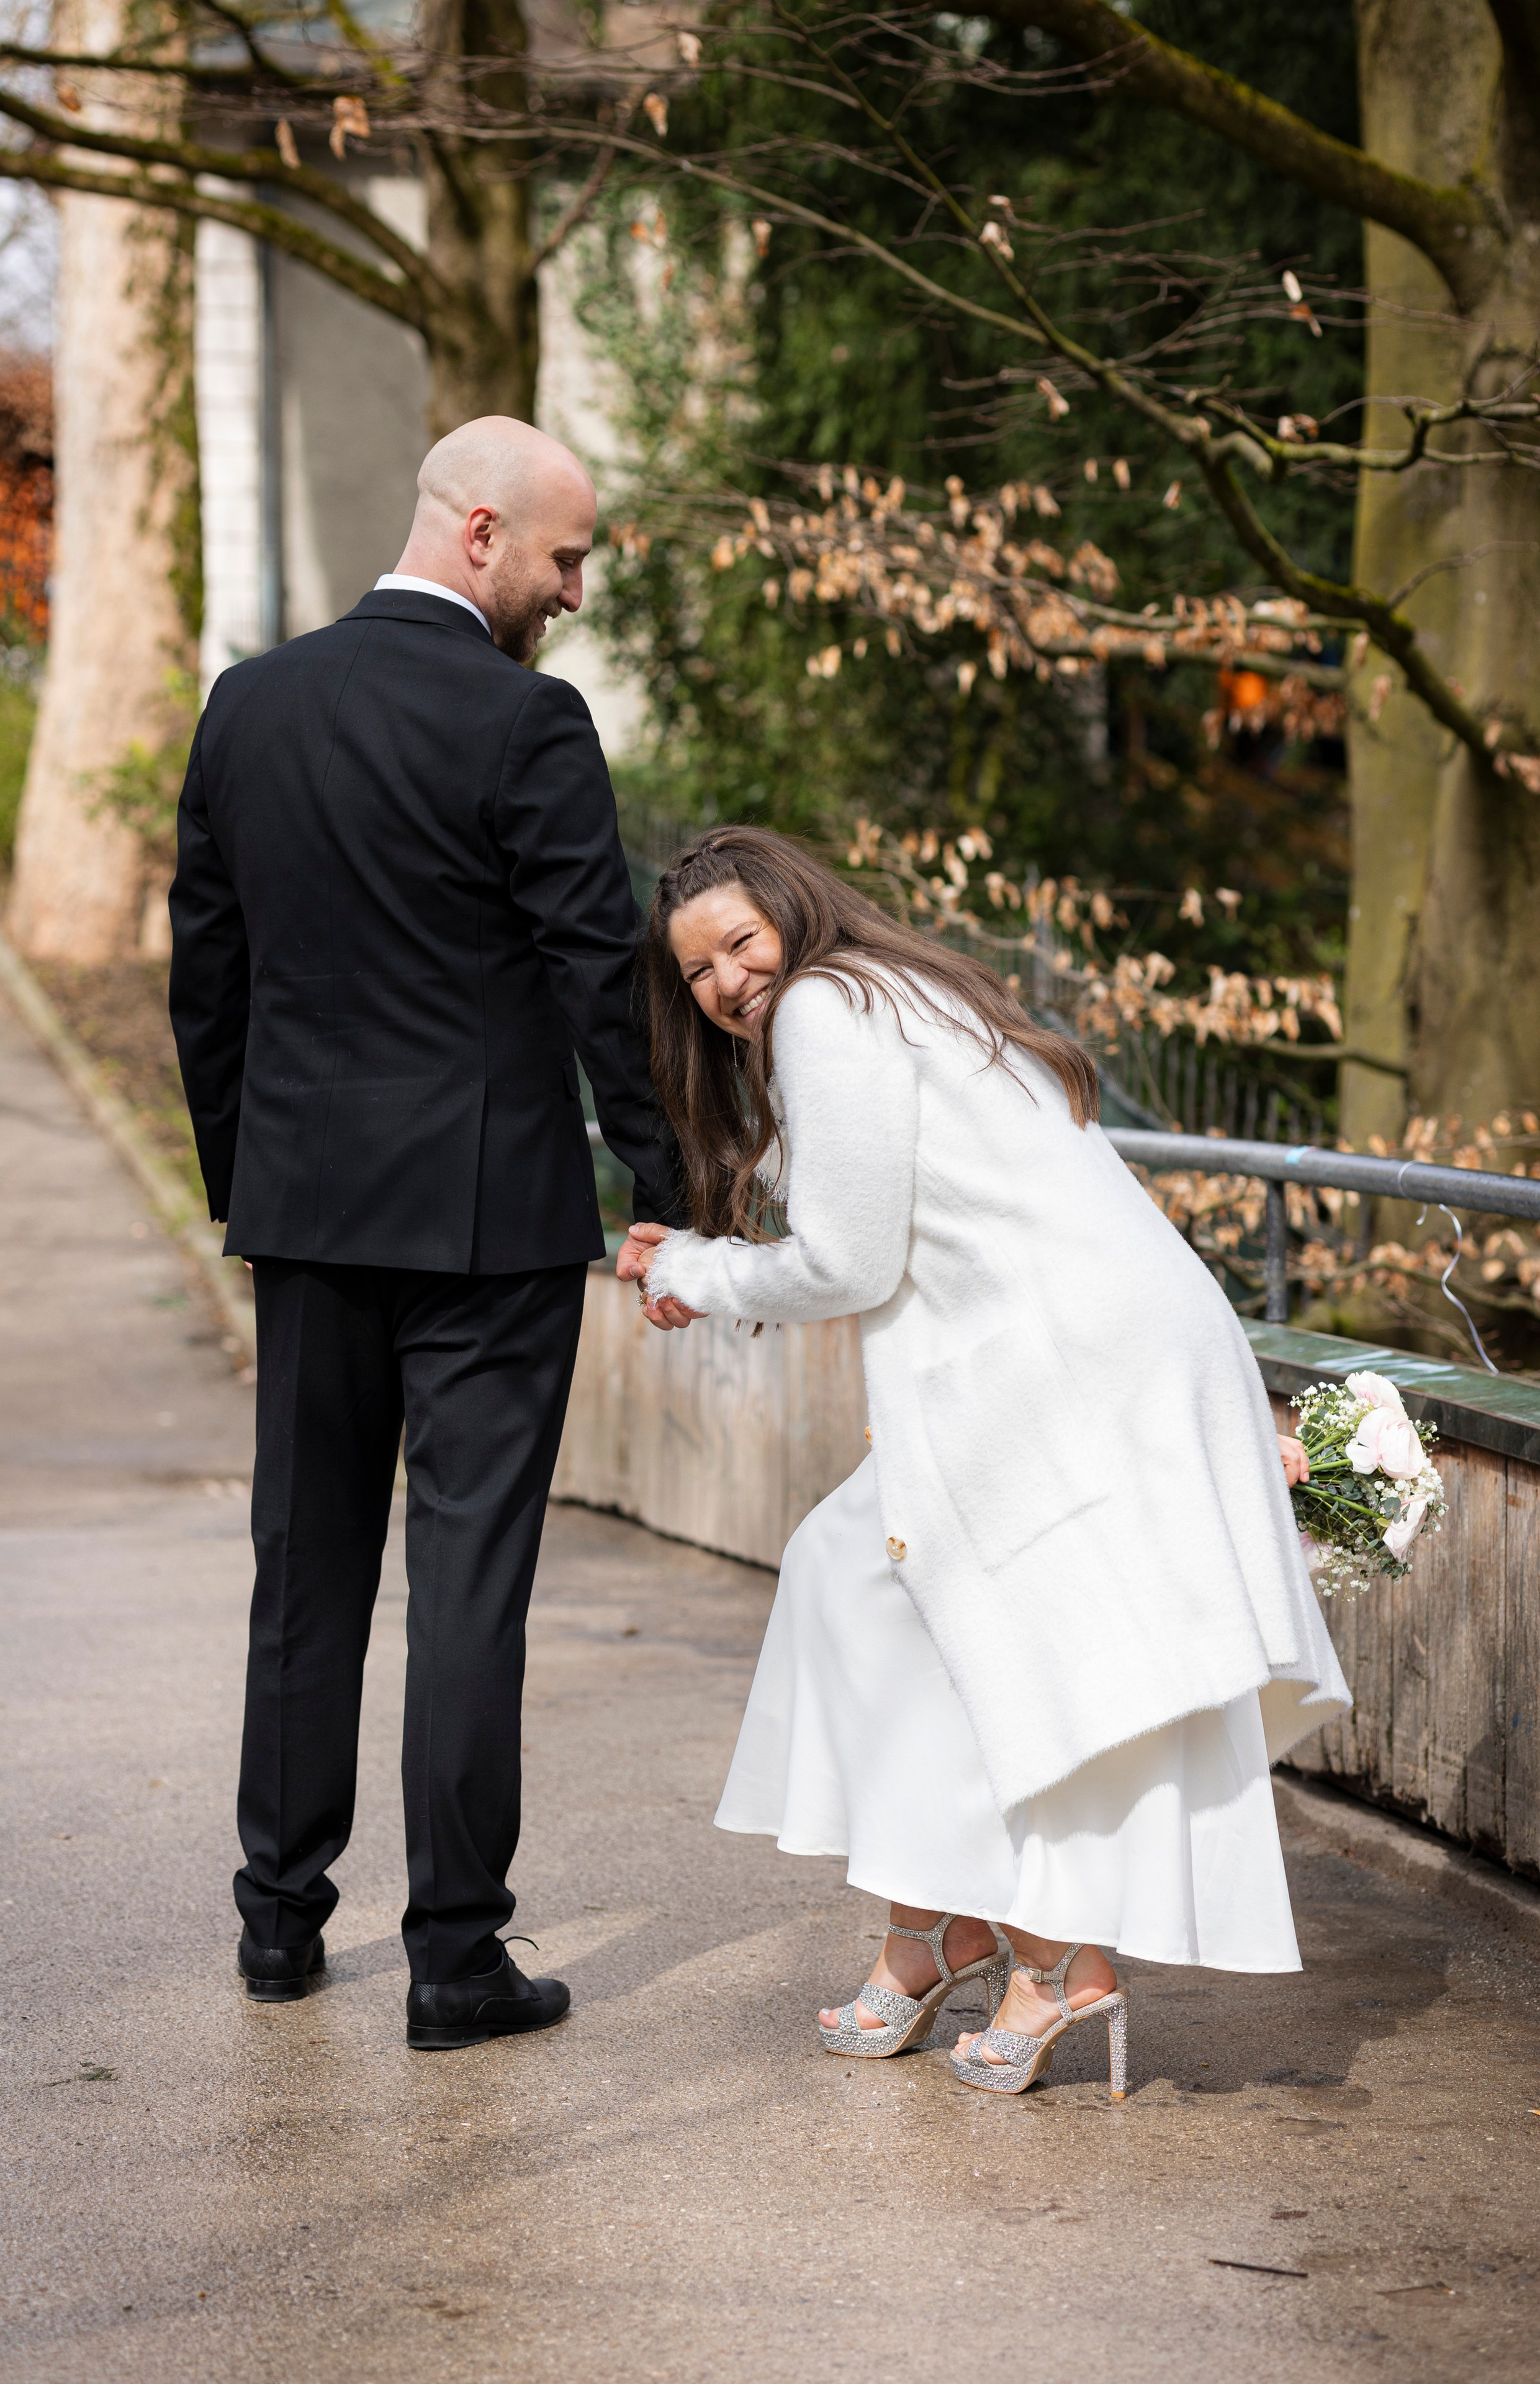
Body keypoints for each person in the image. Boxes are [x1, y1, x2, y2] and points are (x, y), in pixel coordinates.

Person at [616, 824, 1349, 2098]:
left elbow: (847, 1263)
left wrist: (685, 1265)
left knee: (1009, 1653)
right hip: (1074, 1349)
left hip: (1061, 1366)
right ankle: (941, 1926)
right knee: (857, 1583)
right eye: (698, 972)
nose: (730, 982)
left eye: (740, 943)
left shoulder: (824, 1011)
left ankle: (1045, 1957)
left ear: (790, 914)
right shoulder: (888, 993)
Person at [169, 415, 682, 2049]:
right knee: (470, 1581)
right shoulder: (526, 721)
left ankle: (278, 1928)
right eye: (564, 555)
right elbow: (598, 969)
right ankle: (455, 1962)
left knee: (303, 1573)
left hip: (309, 1213)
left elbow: (209, 974)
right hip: (489, 1228)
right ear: (477, 534)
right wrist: (663, 1182)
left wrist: (242, 1179)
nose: (575, 591)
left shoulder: (249, 706)